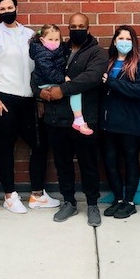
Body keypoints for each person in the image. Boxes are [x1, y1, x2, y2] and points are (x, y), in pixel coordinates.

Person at [0, 0, 58, 213]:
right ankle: (9, 196)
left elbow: (37, 66)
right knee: (6, 149)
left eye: (10, 7)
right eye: (2, 9)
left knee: (40, 145)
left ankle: (37, 194)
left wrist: (39, 96)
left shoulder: (29, 35)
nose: (7, 11)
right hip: (4, 100)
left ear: (17, 7)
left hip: (29, 99)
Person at [33, 13, 108, 227]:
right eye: (73, 26)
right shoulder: (59, 49)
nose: (77, 29)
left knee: (89, 164)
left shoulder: (97, 53)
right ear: (68, 28)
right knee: (62, 164)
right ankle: (69, 202)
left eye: (81, 26)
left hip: (84, 119)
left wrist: (61, 90)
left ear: (88, 27)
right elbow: (38, 72)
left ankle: (92, 204)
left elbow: (91, 78)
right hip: (56, 119)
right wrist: (40, 93)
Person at [101, 26, 140, 219]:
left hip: (131, 122)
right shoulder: (107, 63)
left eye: (128, 39)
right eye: (120, 38)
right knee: (110, 161)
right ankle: (118, 199)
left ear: (134, 42)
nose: (124, 42)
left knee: (130, 160)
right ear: (114, 41)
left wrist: (112, 82)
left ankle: (129, 201)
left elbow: (139, 90)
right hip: (108, 123)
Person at [30, 24, 93, 135]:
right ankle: (79, 120)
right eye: (50, 39)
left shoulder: (55, 50)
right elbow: (48, 72)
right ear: (42, 40)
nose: (54, 42)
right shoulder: (42, 54)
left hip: (49, 80)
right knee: (74, 91)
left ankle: (78, 120)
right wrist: (63, 78)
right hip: (46, 82)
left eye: (57, 39)